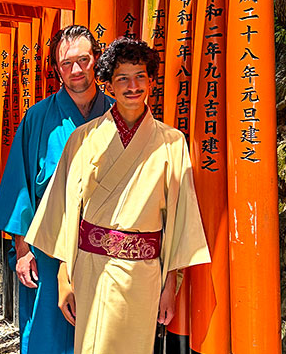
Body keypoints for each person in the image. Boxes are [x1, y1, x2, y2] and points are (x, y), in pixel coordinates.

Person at [25, 38, 211, 354]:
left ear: (152, 81)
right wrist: (63, 276)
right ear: (109, 85)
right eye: (122, 78)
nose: (132, 86)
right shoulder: (83, 139)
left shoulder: (172, 143)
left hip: (144, 273)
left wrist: (171, 285)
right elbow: (65, 211)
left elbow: (181, 219)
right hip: (91, 268)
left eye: (140, 76)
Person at [0, 25, 115, 354]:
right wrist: (22, 251)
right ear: (56, 68)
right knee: (48, 336)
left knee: (105, 337)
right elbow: (21, 189)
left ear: (97, 60)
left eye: (83, 60)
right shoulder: (38, 117)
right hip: (48, 250)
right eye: (66, 63)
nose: (75, 70)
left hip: (107, 249)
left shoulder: (121, 115)